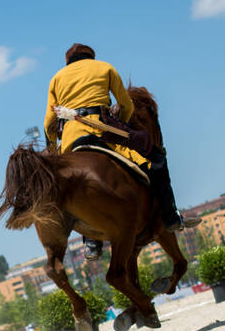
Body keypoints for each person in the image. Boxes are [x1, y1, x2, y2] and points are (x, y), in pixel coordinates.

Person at [44, 43, 184, 259]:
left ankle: (90, 241)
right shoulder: (105, 68)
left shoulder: (56, 78)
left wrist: (53, 147)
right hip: (104, 132)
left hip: (71, 139)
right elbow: (125, 105)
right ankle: (170, 216)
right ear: (91, 57)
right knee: (155, 160)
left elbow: (49, 121)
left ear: (67, 62)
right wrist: (124, 127)